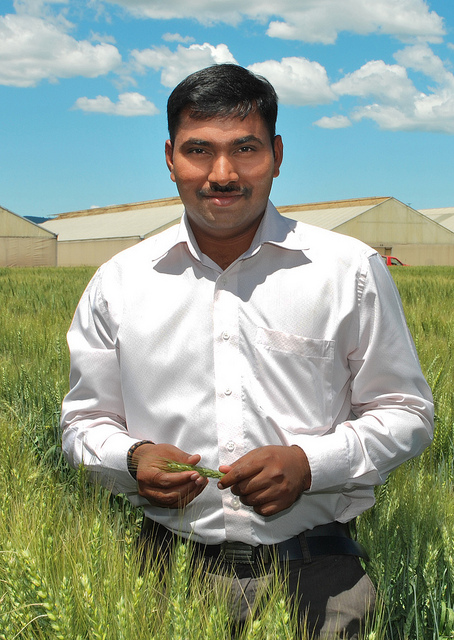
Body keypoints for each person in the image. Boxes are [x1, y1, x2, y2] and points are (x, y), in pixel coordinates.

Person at [61, 63, 434, 638]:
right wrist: (132, 459)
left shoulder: (346, 271)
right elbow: (83, 423)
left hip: (319, 579)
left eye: (246, 148)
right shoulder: (119, 282)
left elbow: (409, 414)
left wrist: (310, 465)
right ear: (169, 157)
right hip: (161, 576)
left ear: (278, 155)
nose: (223, 173)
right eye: (198, 150)